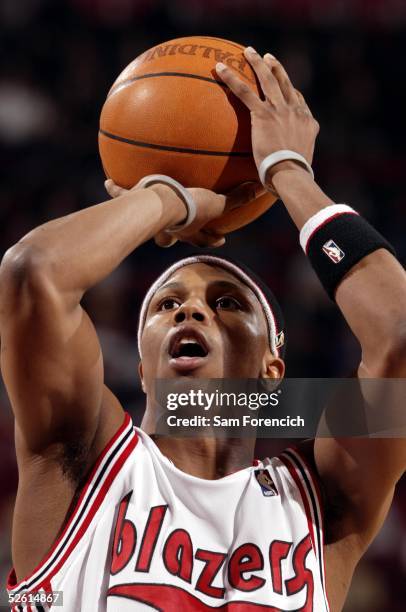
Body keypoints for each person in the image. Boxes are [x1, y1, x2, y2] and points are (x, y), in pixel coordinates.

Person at [0, 47, 405, 611]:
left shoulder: (323, 500)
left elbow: (399, 334)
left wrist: (288, 170)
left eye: (227, 304)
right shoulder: (82, 462)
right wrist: (167, 197)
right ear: (141, 369)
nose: (191, 312)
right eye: (166, 305)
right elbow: (33, 273)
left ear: (272, 369)